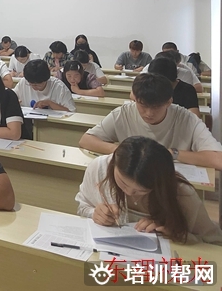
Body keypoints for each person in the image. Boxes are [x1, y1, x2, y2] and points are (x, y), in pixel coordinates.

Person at [76, 136, 222, 245]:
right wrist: (95, 214)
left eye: (140, 191)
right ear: (114, 164)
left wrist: (174, 234)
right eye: (123, 183)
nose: (129, 193)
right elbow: (82, 207)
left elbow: (214, 241)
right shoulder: (98, 168)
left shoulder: (182, 193)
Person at [78, 74, 222, 169]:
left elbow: (218, 159)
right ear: (135, 99)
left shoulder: (187, 119)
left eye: (156, 107)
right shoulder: (123, 113)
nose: (148, 113)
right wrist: (123, 150)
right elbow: (86, 140)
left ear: (169, 102)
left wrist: (171, 153)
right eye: (143, 106)